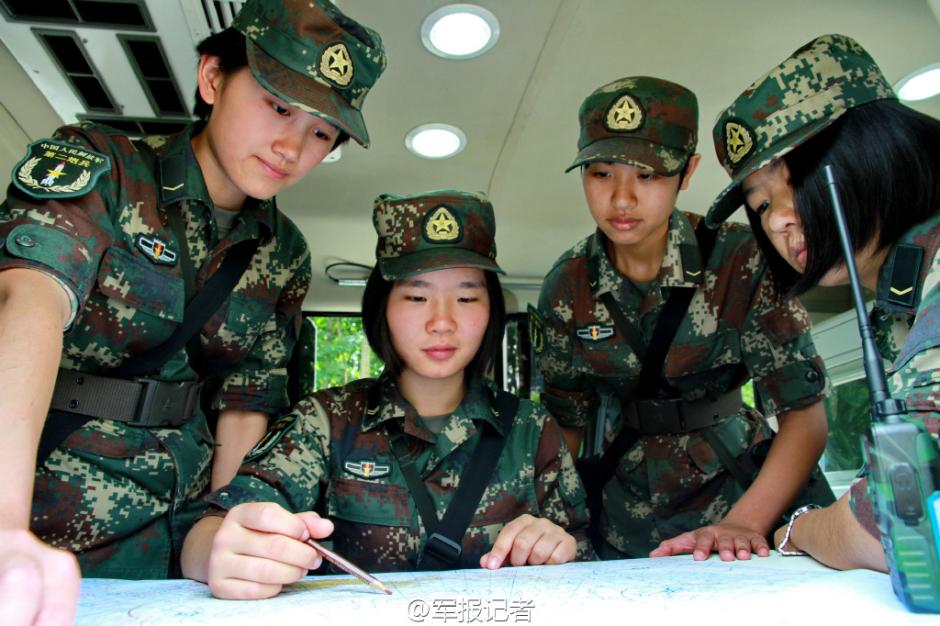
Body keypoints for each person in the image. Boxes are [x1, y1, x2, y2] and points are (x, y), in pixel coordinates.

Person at [0, 0, 386, 620]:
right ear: (212, 78)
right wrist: (4, 530)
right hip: (43, 510)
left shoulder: (284, 253)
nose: (292, 146)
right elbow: (30, 301)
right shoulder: (106, 168)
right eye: (278, 106)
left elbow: (246, 404)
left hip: (173, 538)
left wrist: (219, 529)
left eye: (321, 132)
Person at [180, 190, 591, 599]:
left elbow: (585, 559)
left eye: (466, 297)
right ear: (383, 308)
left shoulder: (532, 430)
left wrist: (560, 548)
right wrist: (221, 553)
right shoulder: (323, 422)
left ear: (491, 311)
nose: (442, 322)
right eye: (416, 296)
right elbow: (210, 534)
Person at [530, 76, 832, 562]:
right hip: (623, 509)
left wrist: (743, 522)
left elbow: (805, 414)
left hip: (744, 490)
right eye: (601, 173)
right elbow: (564, 426)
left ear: (687, 172)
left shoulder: (741, 257)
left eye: (648, 175)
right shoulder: (566, 284)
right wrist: (547, 521)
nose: (622, 199)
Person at [706, 33, 940, 571]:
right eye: (760, 204)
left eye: (793, 179)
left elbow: (899, 524)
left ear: (874, 141)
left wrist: (802, 528)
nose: (778, 219)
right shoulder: (898, 298)